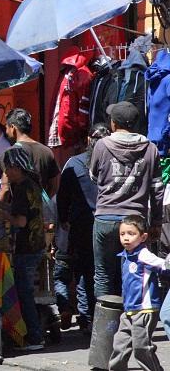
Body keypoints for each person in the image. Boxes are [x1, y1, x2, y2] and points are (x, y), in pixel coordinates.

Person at [90, 101, 164, 298]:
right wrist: (156, 222)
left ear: (114, 123)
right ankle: (131, 321)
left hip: (105, 217)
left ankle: (105, 325)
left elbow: (93, 176)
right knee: (134, 273)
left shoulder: (102, 145)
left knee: (103, 274)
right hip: (135, 221)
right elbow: (157, 188)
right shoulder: (151, 149)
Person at [55, 123, 110, 334]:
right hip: (103, 224)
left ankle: (89, 318)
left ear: (88, 139)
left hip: (83, 226)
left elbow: (63, 196)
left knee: (86, 272)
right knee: (104, 272)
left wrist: (63, 219)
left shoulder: (75, 163)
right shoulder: (113, 162)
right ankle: (100, 316)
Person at [0, 146, 46, 351]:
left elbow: (20, 221)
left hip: (27, 247)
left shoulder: (20, 189)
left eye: (8, 168)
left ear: (16, 168)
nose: (6, 173)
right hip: (37, 245)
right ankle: (34, 333)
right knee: (26, 291)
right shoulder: (33, 184)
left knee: (24, 293)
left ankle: (35, 337)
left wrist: (4, 216)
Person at [109, 215, 168, 371]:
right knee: (120, 344)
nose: (126, 238)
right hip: (129, 310)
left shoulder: (143, 255)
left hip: (144, 310)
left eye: (131, 233)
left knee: (142, 347)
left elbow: (162, 265)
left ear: (143, 237)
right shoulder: (125, 255)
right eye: (122, 234)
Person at [5, 108, 60, 197]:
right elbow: (54, 185)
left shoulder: (11, 153)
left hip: (19, 208)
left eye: (6, 127)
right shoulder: (47, 151)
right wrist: (41, 204)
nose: (6, 132)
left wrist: (0, 206)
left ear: (12, 128)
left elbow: (6, 188)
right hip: (42, 209)